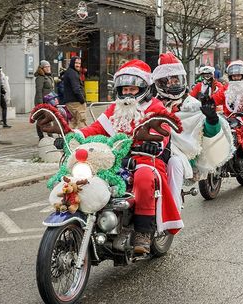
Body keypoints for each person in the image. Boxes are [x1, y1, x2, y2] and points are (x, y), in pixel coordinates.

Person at [36, 59, 183, 254]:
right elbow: (96, 128)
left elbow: (164, 129)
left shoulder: (155, 107)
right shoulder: (115, 108)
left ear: (144, 88)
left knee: (144, 177)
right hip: (112, 159)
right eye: (124, 89)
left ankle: (143, 232)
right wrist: (73, 137)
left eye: (132, 89)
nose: (128, 93)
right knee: (85, 177)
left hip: (147, 159)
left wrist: (153, 144)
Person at [152, 52, 233, 210]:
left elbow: (206, 135)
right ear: (160, 83)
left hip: (181, 157)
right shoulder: (151, 104)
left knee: (174, 164)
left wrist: (211, 119)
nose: (173, 84)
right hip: (151, 152)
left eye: (176, 80)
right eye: (168, 81)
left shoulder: (192, 106)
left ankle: (172, 211)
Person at [211, 60, 243, 169]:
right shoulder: (226, 88)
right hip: (228, 118)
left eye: (238, 75)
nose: (236, 78)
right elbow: (216, 98)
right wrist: (207, 103)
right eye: (233, 76)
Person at [62, 56, 87, 128]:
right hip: (76, 102)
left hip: (71, 102)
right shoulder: (73, 73)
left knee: (73, 122)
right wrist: (82, 100)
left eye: (79, 63)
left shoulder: (70, 72)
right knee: (82, 122)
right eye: (76, 63)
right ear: (72, 63)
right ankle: (84, 139)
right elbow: (76, 89)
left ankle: (68, 138)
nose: (78, 65)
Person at [35, 60, 56, 140]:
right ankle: (44, 136)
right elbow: (39, 91)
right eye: (46, 67)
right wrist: (40, 104)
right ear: (42, 68)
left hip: (49, 101)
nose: (48, 68)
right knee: (42, 118)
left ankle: (44, 136)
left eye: (49, 66)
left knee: (43, 118)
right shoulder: (40, 78)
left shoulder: (48, 77)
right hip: (42, 102)